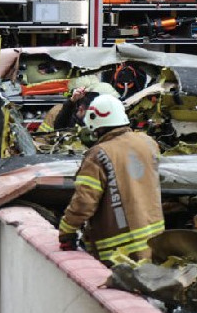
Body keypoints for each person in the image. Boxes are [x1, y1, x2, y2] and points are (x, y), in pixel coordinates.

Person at [57, 94, 164, 266]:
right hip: (154, 243)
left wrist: (66, 231)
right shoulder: (148, 143)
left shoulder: (98, 154)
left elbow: (84, 201)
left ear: (95, 123)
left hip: (118, 253)